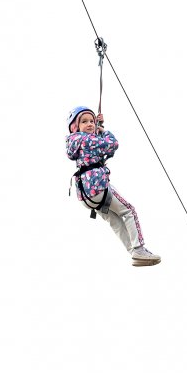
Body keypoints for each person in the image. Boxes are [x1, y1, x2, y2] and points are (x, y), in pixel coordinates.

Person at [66, 106, 161, 267]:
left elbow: (105, 152)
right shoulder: (84, 139)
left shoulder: (76, 141)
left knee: (115, 221)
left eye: (92, 121)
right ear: (75, 127)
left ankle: (135, 253)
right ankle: (139, 249)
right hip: (97, 187)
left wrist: (98, 128)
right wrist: (103, 129)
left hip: (85, 194)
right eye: (84, 122)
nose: (89, 124)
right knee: (129, 210)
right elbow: (112, 144)